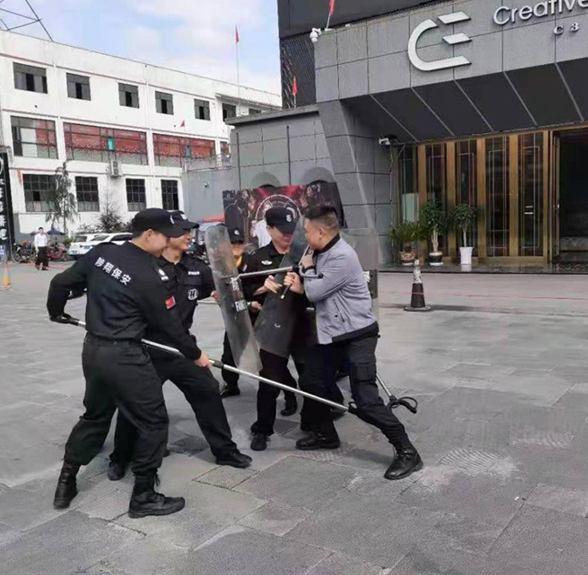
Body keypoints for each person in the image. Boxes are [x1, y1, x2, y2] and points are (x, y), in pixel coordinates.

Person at [46, 208, 211, 518]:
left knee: (95, 416)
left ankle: (66, 482)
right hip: (126, 357)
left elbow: (59, 283)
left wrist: (56, 312)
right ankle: (143, 496)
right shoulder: (151, 275)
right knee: (153, 422)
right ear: (149, 234)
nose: (169, 243)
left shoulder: (101, 253)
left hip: (94, 351)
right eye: (166, 237)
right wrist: (195, 354)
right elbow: (171, 327)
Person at [108, 212, 252, 479]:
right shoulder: (144, 265)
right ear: (165, 234)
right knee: (134, 403)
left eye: (190, 230)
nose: (189, 235)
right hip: (146, 347)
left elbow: (221, 288)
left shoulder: (197, 267)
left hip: (182, 347)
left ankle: (225, 450)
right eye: (183, 231)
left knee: (207, 390)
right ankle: (120, 456)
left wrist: (222, 294)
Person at [284, 204, 422, 480]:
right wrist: (304, 278)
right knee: (311, 381)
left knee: (366, 400)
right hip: (333, 335)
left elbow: (315, 291)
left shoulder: (342, 256)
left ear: (320, 231)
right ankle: (326, 434)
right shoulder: (320, 251)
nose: (305, 237)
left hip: (358, 335)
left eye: (307, 231)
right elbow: (308, 282)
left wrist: (307, 274)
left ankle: (407, 451)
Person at [242, 206, 309, 451]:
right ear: (269, 229)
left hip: (302, 326)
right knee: (268, 381)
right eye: (282, 231)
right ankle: (262, 429)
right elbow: (243, 290)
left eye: (292, 230)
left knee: (310, 378)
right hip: (273, 328)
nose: (288, 236)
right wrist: (262, 287)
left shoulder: (306, 253)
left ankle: (314, 424)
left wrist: (302, 285)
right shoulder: (256, 258)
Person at [220, 226, 247, 399]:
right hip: (235, 316)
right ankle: (231, 384)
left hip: (257, 313)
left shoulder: (252, 261)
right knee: (229, 353)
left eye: (240, 242)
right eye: (232, 243)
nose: (237, 246)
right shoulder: (219, 265)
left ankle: (288, 394)